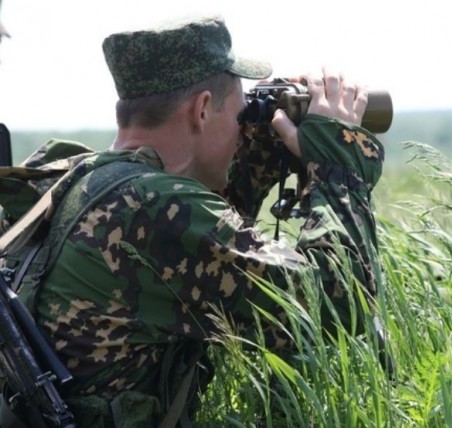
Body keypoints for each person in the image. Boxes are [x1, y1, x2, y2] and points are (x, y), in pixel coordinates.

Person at [6, 15, 386, 427]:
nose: (244, 128)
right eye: (240, 115)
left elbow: (203, 265)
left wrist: (259, 146)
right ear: (202, 109)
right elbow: (335, 303)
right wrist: (338, 166)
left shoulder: (82, 179)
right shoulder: (151, 209)